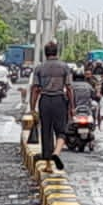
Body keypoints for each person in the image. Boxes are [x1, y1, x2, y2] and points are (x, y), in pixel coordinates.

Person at [29, 41, 72, 170]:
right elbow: (69, 88)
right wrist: (72, 106)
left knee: (46, 131)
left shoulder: (39, 68)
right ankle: (56, 153)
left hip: (45, 101)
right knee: (61, 131)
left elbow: (35, 89)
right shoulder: (64, 67)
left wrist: (32, 108)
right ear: (57, 52)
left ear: (45, 53)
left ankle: (48, 165)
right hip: (59, 100)